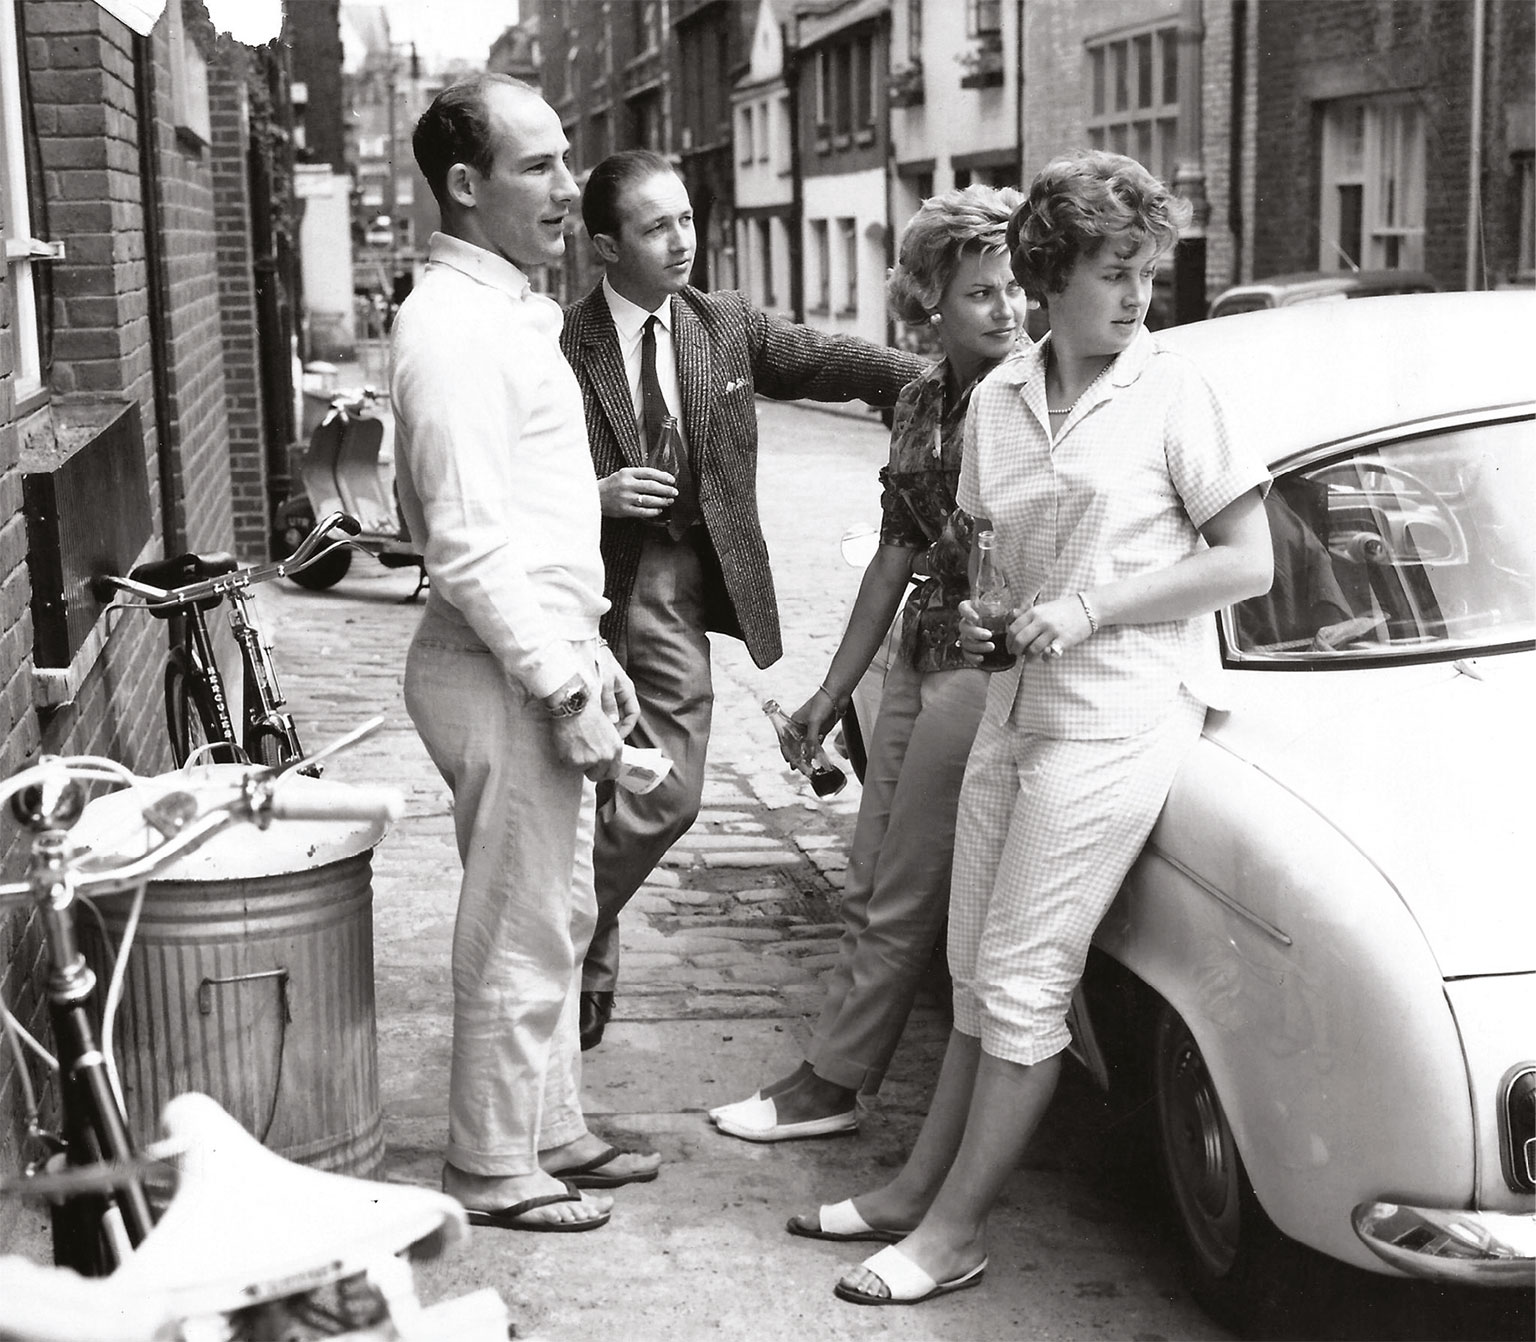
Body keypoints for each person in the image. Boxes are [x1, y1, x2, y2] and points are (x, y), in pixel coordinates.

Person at [805, 150, 1273, 1304]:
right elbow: (988, 566)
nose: (1136, 296)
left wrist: (1094, 605)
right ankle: (915, 1189)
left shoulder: (1175, 391)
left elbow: (1247, 561)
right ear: (1049, 274)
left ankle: (953, 1230)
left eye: (1146, 273)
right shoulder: (1002, 400)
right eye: (1114, 272)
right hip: (1013, 711)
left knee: (1021, 982)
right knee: (971, 971)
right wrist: (983, 624)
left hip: (1117, 724)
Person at [560, 150, 927, 1050]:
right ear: (606, 247)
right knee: (640, 789)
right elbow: (512, 475)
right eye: (656, 227)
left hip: (688, 579)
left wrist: (948, 381)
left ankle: (560, 944)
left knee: (658, 789)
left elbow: (840, 362)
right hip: (603, 576)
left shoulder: (719, 323)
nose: (682, 242)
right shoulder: (562, 346)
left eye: (687, 220)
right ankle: (565, 948)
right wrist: (593, 494)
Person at [390, 74, 660, 1234]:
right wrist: (558, 680)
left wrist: (586, 655)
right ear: (465, 184)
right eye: (538, 166)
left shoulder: (500, 312)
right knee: (516, 914)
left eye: (566, 160)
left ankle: (550, 1127)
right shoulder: (449, 328)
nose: (568, 187)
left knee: (559, 906)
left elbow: (532, 523)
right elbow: (463, 543)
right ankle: (492, 1162)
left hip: (541, 655)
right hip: (501, 668)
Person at [707, 185, 1030, 1145]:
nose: (1007, 310)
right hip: (919, 648)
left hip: (984, 661)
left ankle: (832, 1084)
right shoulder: (923, 397)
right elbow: (895, 548)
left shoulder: (1034, 396)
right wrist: (827, 692)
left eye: (1015, 288)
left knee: (902, 885)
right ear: (932, 301)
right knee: (866, 875)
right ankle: (830, 1073)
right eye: (981, 293)